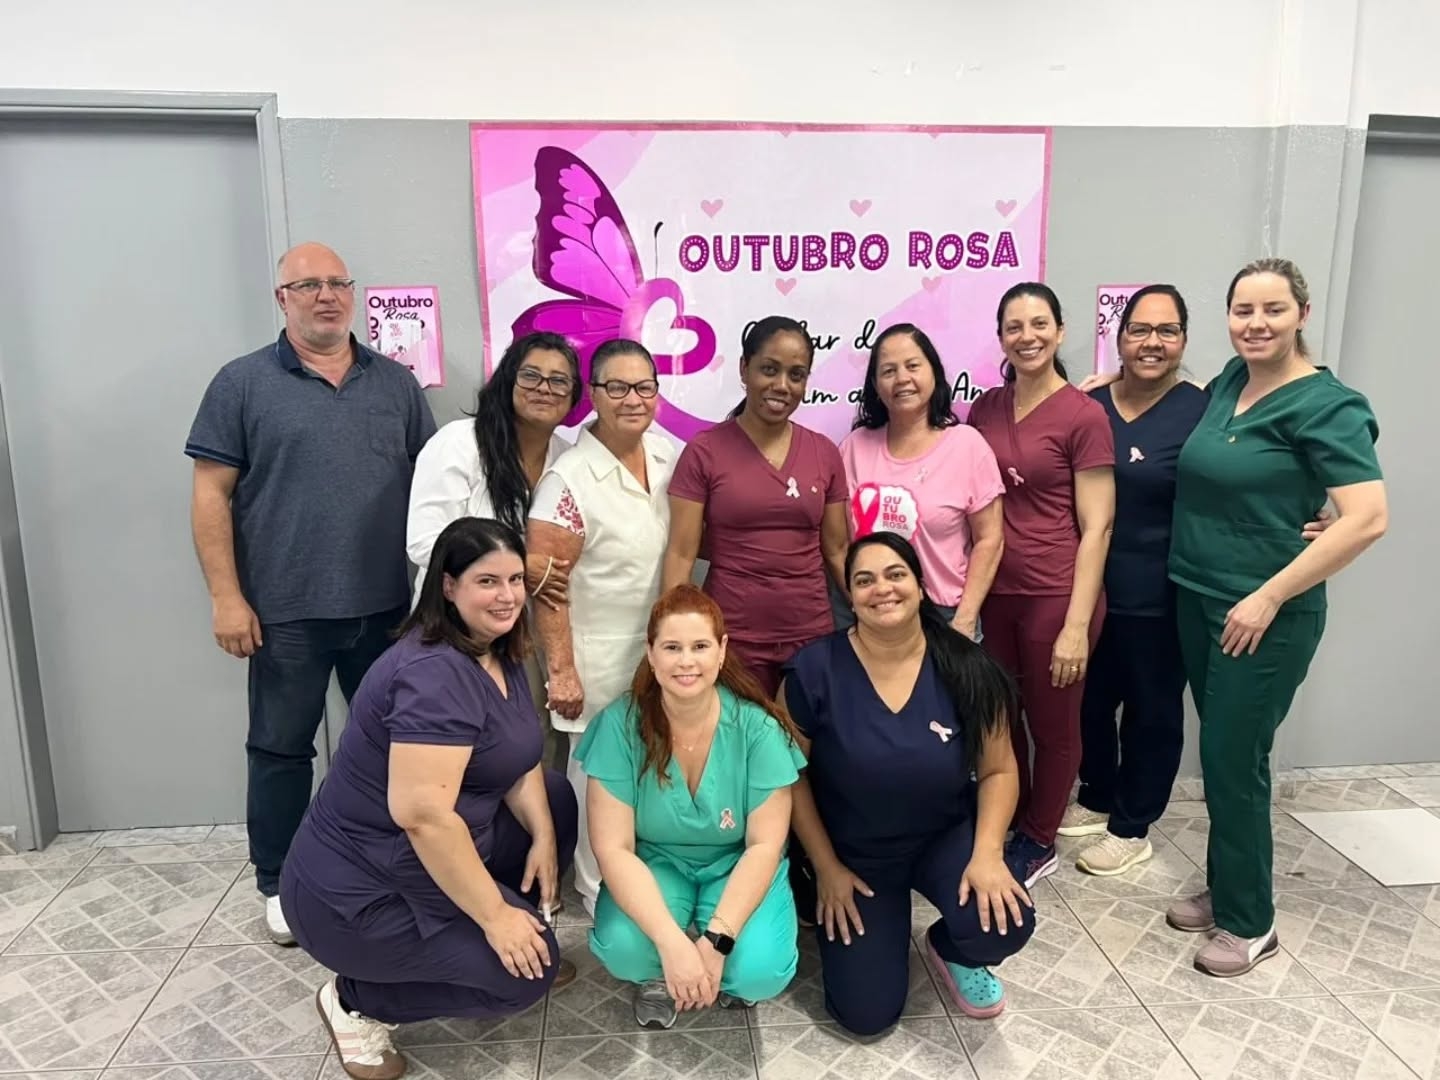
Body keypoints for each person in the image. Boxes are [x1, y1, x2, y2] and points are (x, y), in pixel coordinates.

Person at [186, 242, 436, 945]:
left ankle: (385, 867)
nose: (326, 296)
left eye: (337, 283)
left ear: (352, 294)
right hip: (283, 613)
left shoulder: (396, 385)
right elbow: (209, 497)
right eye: (307, 285)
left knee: (393, 749)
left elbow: (433, 487)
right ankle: (280, 880)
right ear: (282, 298)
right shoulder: (240, 384)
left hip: (386, 611)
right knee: (280, 750)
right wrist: (226, 598)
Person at [279, 518, 578, 1080]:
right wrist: (496, 917)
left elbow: (518, 756)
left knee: (556, 800)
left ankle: (510, 940)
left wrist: (542, 835)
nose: (508, 595)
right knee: (524, 980)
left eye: (515, 579)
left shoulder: (499, 647)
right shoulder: (432, 675)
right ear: (448, 585)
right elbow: (423, 817)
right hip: (362, 891)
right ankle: (354, 1001)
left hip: (435, 853)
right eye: (487, 581)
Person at [1162, 258, 1386, 977]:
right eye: (1243, 310)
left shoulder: (1329, 405)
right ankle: (1230, 886)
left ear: (1302, 315)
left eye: (1272, 310)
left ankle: (1250, 923)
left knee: (1235, 759)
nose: (1255, 324)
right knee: (1223, 755)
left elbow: (1368, 517)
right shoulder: (1232, 380)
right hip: (1200, 595)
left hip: (1262, 615)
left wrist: (1269, 595)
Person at [784, 533, 1036, 1036]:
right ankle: (878, 934)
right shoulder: (813, 671)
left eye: (895, 574)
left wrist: (988, 854)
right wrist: (826, 868)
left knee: (1004, 924)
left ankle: (949, 947)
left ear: (921, 586)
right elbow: (788, 777)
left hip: (943, 839)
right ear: (850, 595)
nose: (882, 588)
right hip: (856, 857)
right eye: (864, 580)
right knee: (866, 1015)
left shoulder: (968, 667)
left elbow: (1000, 771)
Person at [578, 585, 805, 1029]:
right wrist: (671, 944)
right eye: (672, 647)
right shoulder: (619, 727)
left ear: (722, 651)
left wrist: (717, 941)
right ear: (651, 653)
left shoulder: (758, 729)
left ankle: (723, 971)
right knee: (624, 950)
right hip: (655, 863)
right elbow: (613, 849)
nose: (686, 661)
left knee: (760, 972)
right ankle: (659, 974)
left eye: (700, 646)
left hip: (736, 864)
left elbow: (764, 846)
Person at [967, 283, 1115, 890]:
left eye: (1038, 324)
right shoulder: (984, 409)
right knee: (1003, 718)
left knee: (1054, 726)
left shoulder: (1083, 415)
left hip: (1058, 595)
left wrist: (1077, 625)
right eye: (1014, 326)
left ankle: (1039, 837)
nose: (1026, 336)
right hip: (995, 593)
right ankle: (1013, 816)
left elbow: (1098, 525)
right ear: (1001, 337)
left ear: (1059, 331)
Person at [527, 339, 677, 915]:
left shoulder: (666, 453)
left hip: (660, 653)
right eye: (617, 387)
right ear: (593, 394)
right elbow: (547, 585)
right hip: (595, 660)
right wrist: (561, 671)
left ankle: (643, 875)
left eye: (644, 387)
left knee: (650, 770)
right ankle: (597, 890)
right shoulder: (568, 479)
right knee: (599, 778)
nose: (632, 399)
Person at [406, 331, 581, 770]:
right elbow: (425, 542)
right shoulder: (459, 443)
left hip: (529, 634)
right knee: (460, 749)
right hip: (456, 631)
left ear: (574, 395)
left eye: (559, 380)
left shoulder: (568, 459)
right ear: (507, 380)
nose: (544, 388)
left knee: (533, 747)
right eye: (531, 375)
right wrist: (520, 565)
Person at [663, 316, 849, 697]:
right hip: (732, 637)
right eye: (769, 369)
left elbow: (838, 550)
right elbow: (682, 552)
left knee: (806, 734)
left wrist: (879, 615)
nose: (782, 385)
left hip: (810, 635)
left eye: (796, 375)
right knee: (736, 733)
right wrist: (670, 636)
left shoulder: (824, 453)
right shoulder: (704, 451)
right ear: (744, 369)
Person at [839, 322, 1004, 639]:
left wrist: (965, 619)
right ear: (875, 384)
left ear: (934, 373)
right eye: (889, 371)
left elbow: (990, 539)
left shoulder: (967, 446)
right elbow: (840, 542)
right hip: (871, 612)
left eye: (913, 366)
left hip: (946, 616)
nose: (902, 378)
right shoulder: (853, 448)